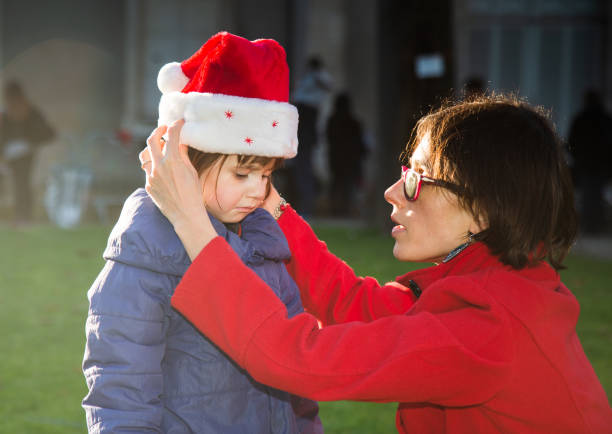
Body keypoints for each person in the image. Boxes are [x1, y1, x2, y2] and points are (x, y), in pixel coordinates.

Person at [142, 94, 612, 433]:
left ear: (485, 209)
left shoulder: (488, 327)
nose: (392, 192)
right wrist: (269, 204)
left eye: (416, 180)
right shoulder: (500, 288)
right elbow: (353, 303)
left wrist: (191, 222)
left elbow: (295, 358)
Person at [82, 32, 321, 433]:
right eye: (241, 173)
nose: (257, 191)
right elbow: (121, 389)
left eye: (265, 175)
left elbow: (295, 384)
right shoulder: (146, 255)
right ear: (185, 162)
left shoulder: (264, 246)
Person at [0, 80, 55, 224]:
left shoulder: (32, 113)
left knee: (22, 182)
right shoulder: (4, 115)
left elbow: (49, 133)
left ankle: (23, 216)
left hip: (26, 156)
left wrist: (28, 143)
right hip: (5, 156)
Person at [289, 56, 333, 217]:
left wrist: (316, 75)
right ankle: (304, 205)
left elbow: (328, 85)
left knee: (304, 169)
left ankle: (307, 207)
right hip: (302, 124)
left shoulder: (318, 77)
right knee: (300, 170)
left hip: (306, 125)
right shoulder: (307, 79)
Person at [568, 89, 612, 234]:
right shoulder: (605, 119)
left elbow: (571, 143)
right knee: (595, 196)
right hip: (600, 167)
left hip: (586, 165)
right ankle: (597, 225)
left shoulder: (581, 119)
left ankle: (590, 225)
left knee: (589, 197)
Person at [325, 92, 368, 216]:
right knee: (348, 185)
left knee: (337, 184)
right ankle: (347, 210)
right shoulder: (354, 122)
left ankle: (336, 210)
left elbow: (329, 138)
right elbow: (360, 142)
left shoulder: (332, 121)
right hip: (350, 160)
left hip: (336, 159)